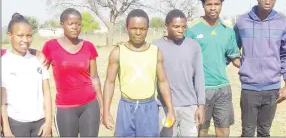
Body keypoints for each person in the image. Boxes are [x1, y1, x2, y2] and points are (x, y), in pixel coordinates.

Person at [102, 9, 175, 137]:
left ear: (147, 29)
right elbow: (109, 82)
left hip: (149, 107)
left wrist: (170, 109)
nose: (138, 32)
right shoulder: (118, 52)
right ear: (127, 28)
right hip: (126, 107)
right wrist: (106, 111)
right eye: (134, 28)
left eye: (142, 29)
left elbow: (163, 82)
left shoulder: (155, 52)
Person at [185, 0, 241, 137]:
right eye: (209, 4)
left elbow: (235, 58)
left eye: (217, 4)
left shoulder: (227, 31)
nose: (213, 8)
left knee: (223, 129)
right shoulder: (192, 29)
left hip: (223, 88)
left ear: (222, 4)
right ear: (203, 5)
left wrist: (253, 67)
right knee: (201, 129)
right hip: (200, 88)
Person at [234, 0, 286, 137]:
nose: (268, 1)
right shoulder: (242, 21)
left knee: (265, 131)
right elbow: (232, 49)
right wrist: (243, 64)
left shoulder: (283, 23)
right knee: (247, 132)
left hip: (272, 88)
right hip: (249, 88)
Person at [42, 8, 103, 137]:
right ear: (62, 24)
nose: (75, 27)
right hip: (65, 108)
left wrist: (102, 106)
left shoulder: (89, 46)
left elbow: (95, 77)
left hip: (90, 106)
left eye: (78, 24)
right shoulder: (50, 47)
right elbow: (41, 74)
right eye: (71, 24)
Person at [153, 9, 205, 136]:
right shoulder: (155, 47)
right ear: (166, 26)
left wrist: (201, 105)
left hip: (190, 107)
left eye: (183, 27)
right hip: (165, 107)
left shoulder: (193, 46)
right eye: (176, 26)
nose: (181, 30)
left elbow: (199, 76)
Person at [1, 13, 52, 137]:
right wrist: (6, 129)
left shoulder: (38, 60)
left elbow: (46, 93)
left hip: (40, 123)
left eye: (29, 36)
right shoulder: (4, 62)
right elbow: (1, 102)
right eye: (20, 36)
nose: (25, 40)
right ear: (10, 35)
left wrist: (48, 122)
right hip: (16, 124)